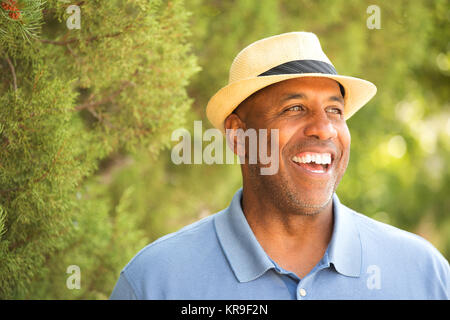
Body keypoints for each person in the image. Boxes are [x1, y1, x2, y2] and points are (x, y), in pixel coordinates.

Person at [110, 32, 449, 299]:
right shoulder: (155, 282)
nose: (324, 128)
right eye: (294, 109)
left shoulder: (423, 274)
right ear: (239, 136)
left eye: (335, 111)